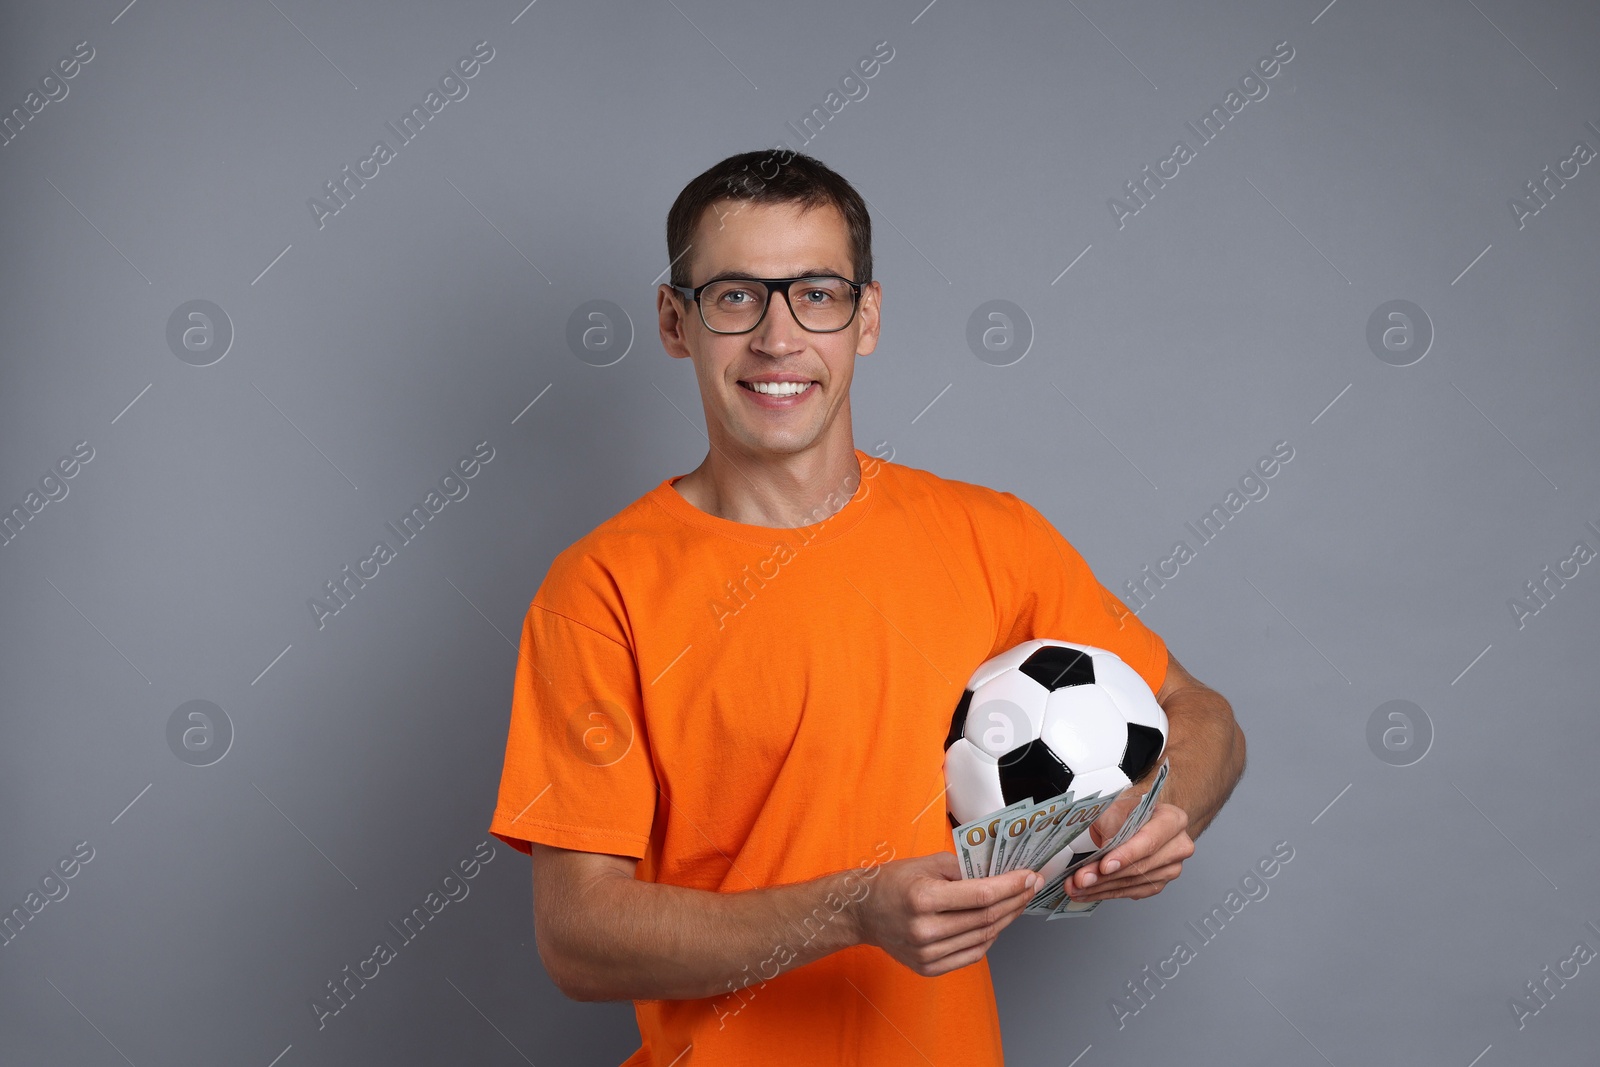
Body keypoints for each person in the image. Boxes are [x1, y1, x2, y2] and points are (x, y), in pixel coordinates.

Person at [488, 149, 1246, 1065]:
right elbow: (576, 935)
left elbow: (1204, 716)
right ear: (673, 321)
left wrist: (1163, 814)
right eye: (735, 295)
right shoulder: (600, 588)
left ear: (867, 317)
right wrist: (850, 912)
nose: (777, 338)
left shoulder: (989, 536)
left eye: (817, 293)